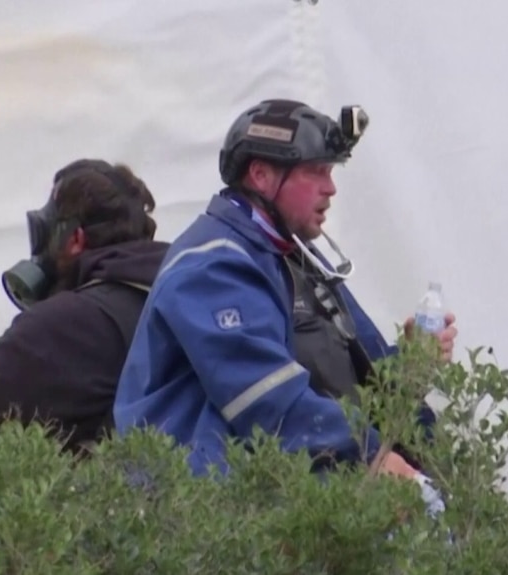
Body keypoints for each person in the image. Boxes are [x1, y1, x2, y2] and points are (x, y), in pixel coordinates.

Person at [113, 99, 457, 480]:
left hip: (284, 503)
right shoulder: (211, 265)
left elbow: (349, 378)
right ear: (260, 175)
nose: (331, 189)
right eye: (317, 171)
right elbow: (266, 401)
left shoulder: (290, 257)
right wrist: (373, 455)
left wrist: (408, 369)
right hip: (211, 518)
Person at [0, 159, 170, 453]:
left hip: (113, 495)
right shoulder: (171, 292)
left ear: (75, 238)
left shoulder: (73, 320)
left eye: (45, 234)